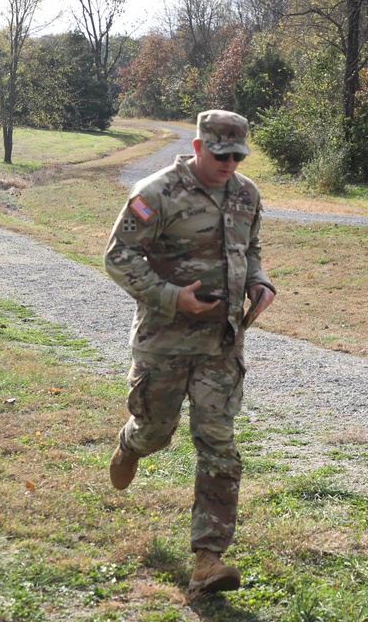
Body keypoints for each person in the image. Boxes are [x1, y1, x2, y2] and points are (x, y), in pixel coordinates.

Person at [104, 109, 276, 595]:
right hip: (165, 340)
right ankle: (132, 441)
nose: (229, 163)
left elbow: (252, 246)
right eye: (220, 154)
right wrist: (170, 296)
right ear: (199, 147)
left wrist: (259, 281)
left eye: (238, 155)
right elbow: (117, 257)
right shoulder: (156, 193)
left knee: (219, 444)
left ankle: (208, 559)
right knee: (158, 431)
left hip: (221, 343)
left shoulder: (247, 193)